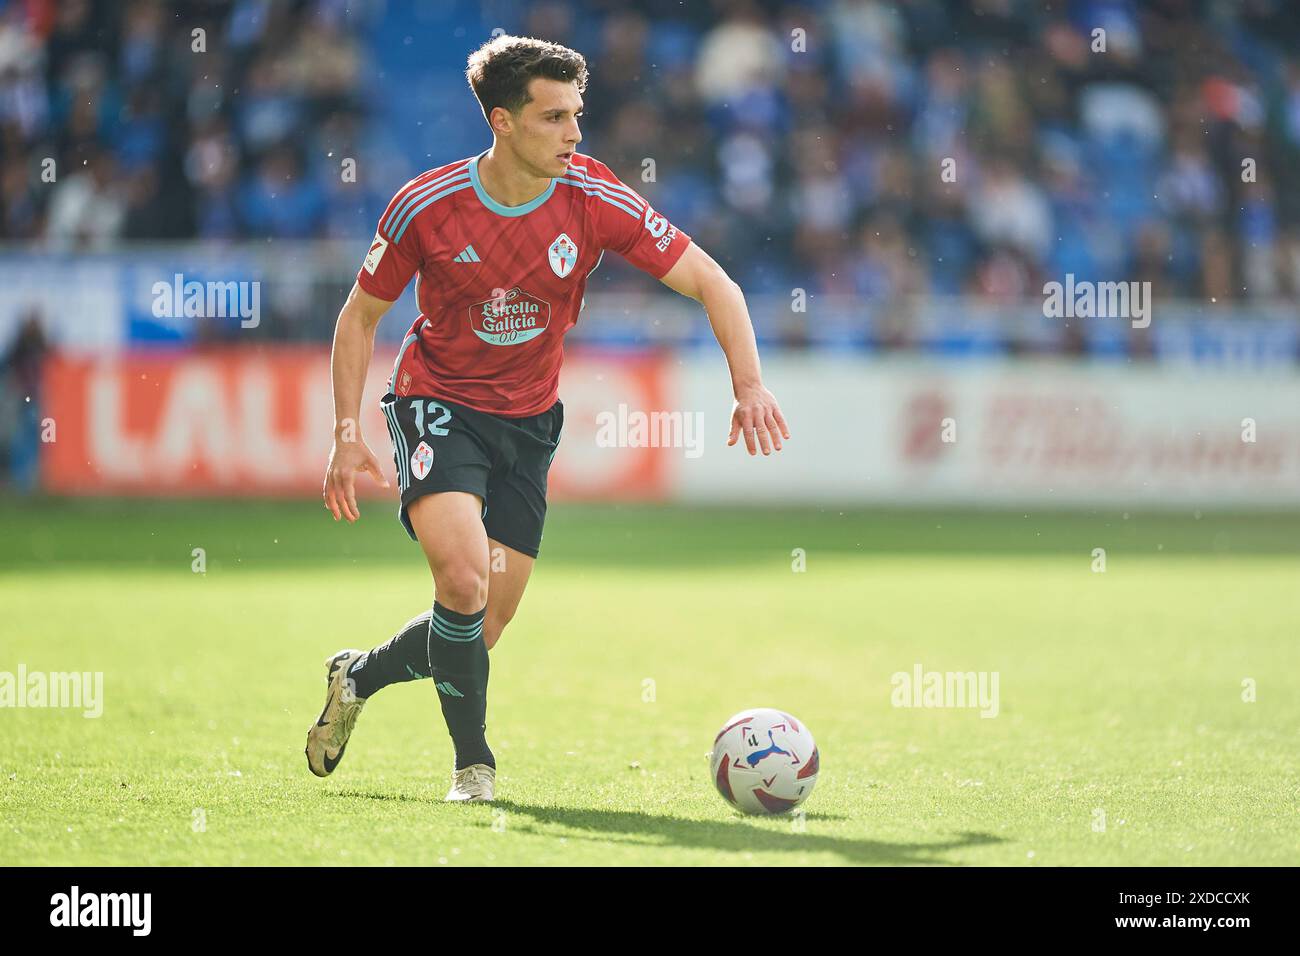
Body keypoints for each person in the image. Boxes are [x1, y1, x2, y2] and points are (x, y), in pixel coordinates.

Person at [307, 34, 789, 801]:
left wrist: (750, 384)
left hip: (529, 424)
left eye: (578, 115)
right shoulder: (426, 207)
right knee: (462, 583)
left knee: (480, 627)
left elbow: (712, 280)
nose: (574, 133)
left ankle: (358, 675)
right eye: (555, 117)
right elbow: (359, 317)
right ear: (502, 121)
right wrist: (344, 432)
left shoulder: (592, 197)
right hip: (437, 404)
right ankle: (474, 765)